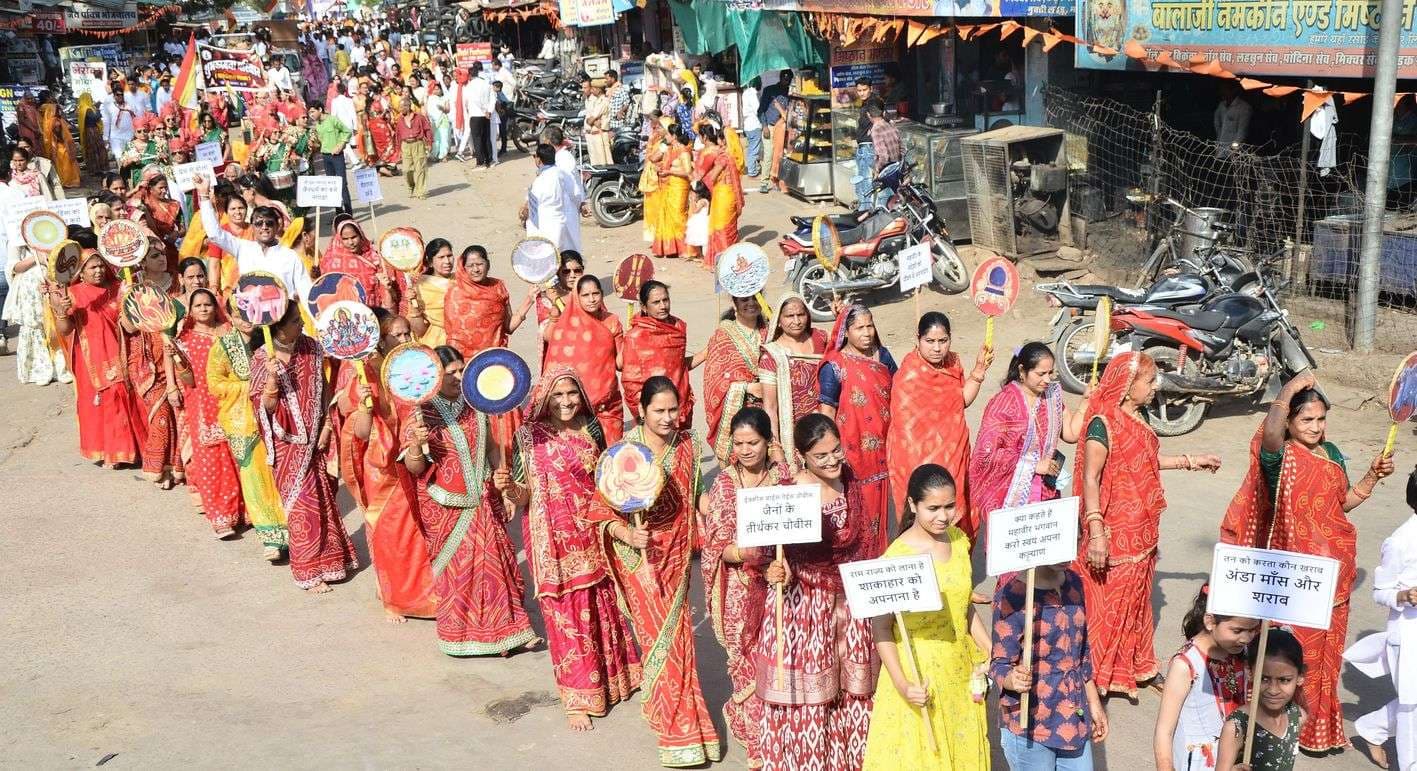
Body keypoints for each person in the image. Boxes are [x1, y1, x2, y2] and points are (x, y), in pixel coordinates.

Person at [1219, 370, 1393, 752]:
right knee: (1296, 659)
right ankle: (1285, 729)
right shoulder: (1279, 458)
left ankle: (1320, 732)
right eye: (1306, 420)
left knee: (1328, 658)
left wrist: (1371, 477)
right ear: (1289, 421)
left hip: (1336, 573)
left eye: (1321, 419)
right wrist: (1289, 389)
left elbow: (1342, 502)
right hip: (1298, 579)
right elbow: (1269, 434)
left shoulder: (1330, 453)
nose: (1316, 427)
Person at [582, 377, 720, 767]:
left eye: (673, 409)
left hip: (677, 558)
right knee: (662, 639)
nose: (667, 417)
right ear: (640, 411)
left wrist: (725, 513)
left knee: (680, 641)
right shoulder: (624, 453)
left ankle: (679, 717)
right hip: (639, 561)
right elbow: (599, 511)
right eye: (658, 410)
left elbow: (698, 496)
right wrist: (627, 532)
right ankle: (678, 733)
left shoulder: (688, 445)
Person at [497, 368, 643, 730]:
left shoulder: (591, 429)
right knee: (564, 612)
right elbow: (524, 494)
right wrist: (508, 488)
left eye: (572, 394)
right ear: (545, 398)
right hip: (551, 539)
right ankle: (576, 696)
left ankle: (616, 679)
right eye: (558, 395)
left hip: (593, 530)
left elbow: (606, 479)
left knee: (601, 603)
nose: (566, 402)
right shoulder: (527, 437)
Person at [1078, 352, 1220, 697]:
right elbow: (1090, 478)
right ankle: (1095, 676)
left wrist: (1191, 460)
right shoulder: (1103, 423)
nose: (1155, 387)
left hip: (1142, 529)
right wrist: (1096, 532)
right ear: (1128, 386)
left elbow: (1146, 461)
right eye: (1148, 381)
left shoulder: (1136, 418)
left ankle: (1134, 667)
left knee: (1137, 603)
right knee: (1109, 605)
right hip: (1113, 533)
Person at [401, 345, 537, 654]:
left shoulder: (475, 402)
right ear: (436, 376)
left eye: (462, 370)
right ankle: (463, 638)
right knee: (462, 576)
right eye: (451, 373)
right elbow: (415, 468)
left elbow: (491, 446)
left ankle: (511, 633)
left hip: (483, 499)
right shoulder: (421, 412)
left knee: (496, 568)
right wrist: (414, 445)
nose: (459, 377)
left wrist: (503, 482)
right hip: (447, 507)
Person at [757, 413, 871, 770]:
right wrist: (773, 567)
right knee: (810, 692)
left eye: (836, 450)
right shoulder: (789, 494)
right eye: (821, 456)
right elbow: (763, 550)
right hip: (803, 605)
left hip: (848, 599)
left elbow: (864, 538)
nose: (833, 460)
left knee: (853, 686)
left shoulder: (850, 479)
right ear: (802, 456)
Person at [862, 464, 990, 769]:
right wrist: (904, 685)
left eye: (949, 506)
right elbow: (881, 630)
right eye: (932, 508)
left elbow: (962, 604)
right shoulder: (897, 558)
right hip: (919, 673)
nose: (943, 516)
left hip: (960, 670)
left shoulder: (959, 540)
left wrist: (989, 647)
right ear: (912, 505)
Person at [699, 407, 790, 767]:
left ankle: (776, 732)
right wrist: (746, 553)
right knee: (744, 662)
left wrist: (781, 565)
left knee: (776, 659)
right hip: (738, 587)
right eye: (739, 443)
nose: (746, 450)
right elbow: (715, 547)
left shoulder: (783, 480)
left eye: (753, 442)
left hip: (777, 586)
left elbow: (797, 538)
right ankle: (756, 740)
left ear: (769, 443)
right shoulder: (723, 483)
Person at [252, 302, 359, 593]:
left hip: (317, 438)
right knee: (301, 507)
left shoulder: (311, 348)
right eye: (295, 321)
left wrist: (326, 427)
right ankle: (309, 571)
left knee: (324, 499)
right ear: (278, 327)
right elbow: (265, 408)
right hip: (286, 446)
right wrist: (273, 378)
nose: (301, 324)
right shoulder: (263, 358)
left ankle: (334, 561)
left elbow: (323, 389)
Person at [344, 313, 437, 622]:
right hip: (381, 467)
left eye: (407, 334)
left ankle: (423, 593)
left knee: (417, 530)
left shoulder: (413, 369)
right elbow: (359, 432)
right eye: (396, 336)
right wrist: (365, 407)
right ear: (381, 341)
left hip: (410, 454)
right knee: (390, 533)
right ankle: (393, 598)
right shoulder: (365, 375)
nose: (404, 340)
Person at [992, 556, 1107, 769]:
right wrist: (1012, 679)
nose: (1067, 555)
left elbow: (1081, 653)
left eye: (1074, 543)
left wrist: (1093, 702)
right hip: (1031, 726)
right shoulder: (1012, 596)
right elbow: (999, 664)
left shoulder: (1074, 582)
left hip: (1073, 720)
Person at [885, 312, 991, 539]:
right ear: (918, 339)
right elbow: (905, 435)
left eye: (942, 341)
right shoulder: (909, 374)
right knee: (926, 515)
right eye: (930, 341)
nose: (936, 348)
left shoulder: (953, 363)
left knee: (952, 514)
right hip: (918, 462)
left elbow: (961, 401)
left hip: (953, 456)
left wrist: (979, 371)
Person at [1344, 466, 1417, 771]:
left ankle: (1372, 728)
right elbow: (1380, 591)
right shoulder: (1400, 541)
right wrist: (1403, 596)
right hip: (1408, 631)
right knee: (1411, 704)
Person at [970, 342, 1088, 528]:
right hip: (1010, 493)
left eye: (1050, 373)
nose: (1048, 380)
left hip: (1045, 491)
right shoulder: (1003, 404)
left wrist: (1085, 403)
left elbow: (1071, 434)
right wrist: (1034, 465)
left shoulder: (1051, 397)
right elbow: (986, 455)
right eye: (1040, 374)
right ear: (1022, 371)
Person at [207, 297, 289, 561]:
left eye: (248, 313)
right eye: (238, 314)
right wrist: (249, 387)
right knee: (255, 478)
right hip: (243, 420)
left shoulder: (268, 339)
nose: (245, 319)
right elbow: (215, 383)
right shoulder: (223, 345)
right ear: (230, 316)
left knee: (280, 474)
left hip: (274, 415)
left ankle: (292, 529)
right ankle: (270, 536)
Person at [48, 251, 145, 467]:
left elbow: (129, 325)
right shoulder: (72, 294)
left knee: (122, 395)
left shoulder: (116, 288)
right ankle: (111, 452)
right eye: (93, 267)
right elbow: (65, 330)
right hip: (89, 358)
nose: (99, 270)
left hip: (120, 350)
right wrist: (61, 312)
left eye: (101, 266)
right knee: (103, 400)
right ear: (81, 273)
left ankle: (128, 449)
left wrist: (128, 300)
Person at [1153, 584, 1261, 771]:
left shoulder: (1243, 654)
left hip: (1236, 757)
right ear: (1210, 621)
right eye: (1237, 631)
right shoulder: (1186, 665)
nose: (1246, 638)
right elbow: (1164, 731)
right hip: (1200, 761)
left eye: (1252, 630)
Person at [818, 304, 896, 539]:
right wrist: (828, 453)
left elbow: (900, 391)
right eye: (859, 327)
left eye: (870, 325)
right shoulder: (835, 366)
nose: (867, 333)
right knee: (858, 511)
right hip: (852, 452)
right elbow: (826, 412)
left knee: (888, 511)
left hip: (886, 445)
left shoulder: (882, 356)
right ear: (846, 332)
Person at [174, 289, 244, 538]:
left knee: (238, 456)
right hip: (203, 405)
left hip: (234, 401)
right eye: (198, 306)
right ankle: (221, 516)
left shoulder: (231, 332)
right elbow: (189, 380)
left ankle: (244, 511)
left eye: (208, 304)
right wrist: (179, 364)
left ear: (216, 306)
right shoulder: (186, 339)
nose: (203, 309)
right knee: (212, 461)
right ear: (191, 311)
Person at [195, 176, 314, 307]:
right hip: (252, 317)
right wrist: (204, 196)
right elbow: (214, 234)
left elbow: (306, 290)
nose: (264, 227)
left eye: (269, 223)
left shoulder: (290, 256)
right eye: (258, 223)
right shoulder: (243, 248)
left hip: (283, 318)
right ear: (252, 225)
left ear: (276, 226)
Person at [542, 275, 624, 444]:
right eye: (585, 295)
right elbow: (554, 367)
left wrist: (629, 342)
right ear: (576, 298)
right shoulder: (566, 326)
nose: (592, 299)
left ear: (602, 294)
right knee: (581, 462)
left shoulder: (612, 321)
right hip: (575, 408)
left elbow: (620, 364)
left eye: (596, 293)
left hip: (607, 407)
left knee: (610, 459)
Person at [1217, 629, 1306, 771]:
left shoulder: (1297, 716)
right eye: (1264, 679)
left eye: (1284, 680)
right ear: (1249, 672)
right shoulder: (1237, 726)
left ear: (1300, 677)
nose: (1273, 690)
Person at [758, 293, 827, 469]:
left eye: (801, 315)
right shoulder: (772, 354)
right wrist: (774, 446)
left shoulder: (821, 339)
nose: (796, 321)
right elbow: (770, 407)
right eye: (789, 316)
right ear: (778, 320)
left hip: (824, 426)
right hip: (794, 433)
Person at [621, 280, 700, 429]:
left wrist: (707, 352)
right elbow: (630, 382)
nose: (663, 306)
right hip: (654, 412)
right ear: (644, 307)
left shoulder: (678, 327)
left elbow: (679, 366)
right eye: (656, 302)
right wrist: (643, 414)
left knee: (681, 450)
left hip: (680, 404)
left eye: (665, 300)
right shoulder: (635, 336)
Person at [704, 294, 766, 464]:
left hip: (770, 408)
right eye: (745, 300)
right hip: (739, 412)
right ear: (734, 303)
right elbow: (714, 380)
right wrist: (746, 387)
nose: (751, 303)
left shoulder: (770, 331)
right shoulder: (723, 335)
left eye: (755, 298)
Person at [442, 243, 533, 358]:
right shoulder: (455, 293)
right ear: (464, 268)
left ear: (488, 264)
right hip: (464, 363)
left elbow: (508, 327)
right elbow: (453, 335)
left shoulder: (498, 287)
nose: (476, 269)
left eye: (480, 264)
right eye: (470, 266)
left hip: (495, 359)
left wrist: (529, 299)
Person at [4, 239, 70, 385]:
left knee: (56, 324)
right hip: (30, 292)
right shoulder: (18, 240)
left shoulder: (53, 234)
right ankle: (38, 369)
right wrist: (36, 258)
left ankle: (61, 367)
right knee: (35, 327)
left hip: (53, 286)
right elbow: (14, 267)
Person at [127, 323, 184, 489]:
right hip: (148, 365)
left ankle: (177, 467)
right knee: (162, 416)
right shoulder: (134, 298)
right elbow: (127, 327)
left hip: (177, 358)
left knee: (178, 417)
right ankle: (159, 468)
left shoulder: (181, 298)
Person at [322, 216, 399, 311]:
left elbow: (387, 288)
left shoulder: (374, 258)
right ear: (339, 239)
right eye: (345, 239)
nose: (351, 242)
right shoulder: (333, 263)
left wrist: (387, 285)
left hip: (374, 311)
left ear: (361, 235)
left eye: (354, 237)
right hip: (345, 313)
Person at [694, 124, 743, 268]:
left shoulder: (723, 158)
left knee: (721, 228)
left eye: (720, 140)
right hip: (726, 195)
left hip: (723, 196)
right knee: (726, 227)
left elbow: (712, 177)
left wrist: (698, 184)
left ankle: (723, 261)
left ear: (723, 141)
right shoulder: (730, 156)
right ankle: (723, 259)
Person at [522, 143, 583, 252]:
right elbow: (576, 194)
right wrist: (580, 207)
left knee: (549, 259)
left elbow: (531, 206)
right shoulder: (562, 174)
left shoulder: (540, 181)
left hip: (544, 228)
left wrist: (524, 214)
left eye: (534, 156)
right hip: (560, 224)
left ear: (539, 160)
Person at [652, 127, 692, 258]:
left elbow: (687, 172)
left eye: (668, 134)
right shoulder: (670, 150)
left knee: (678, 216)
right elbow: (655, 159)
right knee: (667, 216)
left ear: (674, 136)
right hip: (668, 186)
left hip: (680, 186)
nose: (666, 136)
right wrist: (661, 169)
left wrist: (670, 172)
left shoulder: (684, 152)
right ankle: (670, 249)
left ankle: (685, 248)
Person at [315, 94, 356, 215]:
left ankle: (348, 213)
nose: (311, 115)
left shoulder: (332, 119)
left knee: (342, 184)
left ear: (320, 110)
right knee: (332, 186)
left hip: (336, 156)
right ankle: (338, 212)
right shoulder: (318, 125)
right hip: (326, 156)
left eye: (313, 111)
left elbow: (347, 131)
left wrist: (341, 145)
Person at [409, 238, 453, 346]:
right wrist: (412, 303)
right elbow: (419, 331)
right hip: (438, 342)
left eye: (449, 256)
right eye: (441, 257)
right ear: (430, 262)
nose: (447, 261)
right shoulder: (420, 287)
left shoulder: (462, 280)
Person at [39, 93, 81, 190]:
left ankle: (64, 181)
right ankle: (67, 181)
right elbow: (58, 135)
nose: (60, 111)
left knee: (62, 164)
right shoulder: (55, 122)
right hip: (60, 146)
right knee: (65, 164)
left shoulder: (49, 122)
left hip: (58, 147)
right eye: (58, 110)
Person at [864, 105, 901, 210]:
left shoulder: (876, 130)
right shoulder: (890, 124)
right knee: (898, 197)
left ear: (869, 115)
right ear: (882, 114)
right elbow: (902, 147)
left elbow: (883, 156)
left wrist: (877, 170)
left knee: (884, 201)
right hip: (897, 166)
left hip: (888, 170)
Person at [395, 97, 431, 198]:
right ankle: (412, 186)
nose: (400, 108)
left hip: (418, 144)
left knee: (420, 169)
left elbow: (427, 129)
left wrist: (429, 143)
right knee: (406, 170)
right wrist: (398, 149)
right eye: (400, 106)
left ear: (408, 106)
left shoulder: (419, 117)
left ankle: (421, 191)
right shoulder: (399, 119)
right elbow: (398, 135)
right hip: (405, 146)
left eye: (402, 106)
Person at [584, 80, 613, 167]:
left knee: (603, 164)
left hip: (600, 136)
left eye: (593, 89)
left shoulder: (603, 101)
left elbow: (590, 120)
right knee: (595, 163)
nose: (591, 91)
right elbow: (589, 119)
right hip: (593, 135)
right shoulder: (596, 101)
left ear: (599, 90)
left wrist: (591, 120)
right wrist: (592, 121)